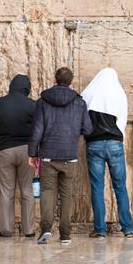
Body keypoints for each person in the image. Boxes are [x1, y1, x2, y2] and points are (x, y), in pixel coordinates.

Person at [28, 67, 92, 245]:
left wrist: (33, 153)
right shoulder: (79, 102)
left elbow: (37, 130)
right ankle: (65, 234)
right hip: (70, 155)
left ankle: (46, 229)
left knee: (47, 192)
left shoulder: (42, 102)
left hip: (47, 156)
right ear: (71, 81)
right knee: (66, 195)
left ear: (55, 79)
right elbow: (88, 129)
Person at [81, 68, 133, 239]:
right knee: (120, 187)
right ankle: (127, 229)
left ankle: (99, 230)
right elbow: (122, 120)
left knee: (97, 187)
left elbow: (83, 120)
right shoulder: (118, 92)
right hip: (114, 144)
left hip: (94, 144)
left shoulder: (88, 92)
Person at [0, 74, 36, 238]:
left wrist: (1, 135)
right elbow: (39, 128)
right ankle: (28, 230)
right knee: (27, 191)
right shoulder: (33, 105)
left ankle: (6, 229)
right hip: (27, 151)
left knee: (6, 192)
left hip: (5, 151)